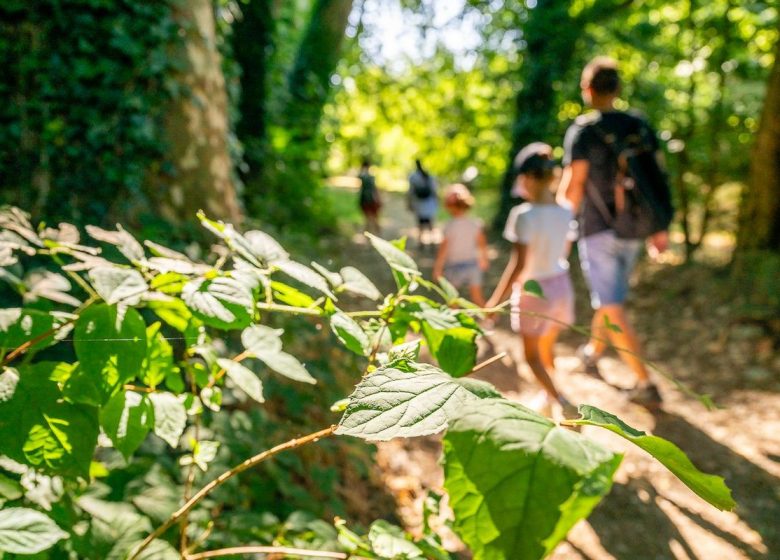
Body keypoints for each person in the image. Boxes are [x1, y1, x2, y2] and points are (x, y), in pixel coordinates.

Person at [557, 56, 667, 408]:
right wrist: (658, 226)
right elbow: (656, 180)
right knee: (609, 297)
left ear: (588, 90)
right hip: (634, 230)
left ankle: (644, 382)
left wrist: (557, 225)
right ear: (617, 89)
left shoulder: (583, 131)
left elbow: (573, 188)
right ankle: (593, 350)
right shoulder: (639, 125)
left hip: (598, 230)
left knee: (611, 304)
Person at [486, 142, 578, 418]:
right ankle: (549, 396)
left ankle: (560, 400)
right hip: (561, 285)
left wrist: (493, 303)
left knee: (531, 356)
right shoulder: (565, 211)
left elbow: (519, 266)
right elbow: (565, 250)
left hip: (533, 291)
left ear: (526, 178)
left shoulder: (523, 216)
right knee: (547, 347)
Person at [432, 184, 489, 306]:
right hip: (473, 264)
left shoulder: (449, 226)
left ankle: (453, 322)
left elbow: (443, 249)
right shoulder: (475, 224)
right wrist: (484, 259)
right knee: (477, 296)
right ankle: (488, 318)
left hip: (454, 265)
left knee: (452, 299)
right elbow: (482, 243)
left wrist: (438, 268)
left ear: (449, 206)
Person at [407, 159, 438, 247]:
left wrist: (409, 202)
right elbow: (434, 189)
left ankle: (421, 241)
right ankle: (432, 241)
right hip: (429, 202)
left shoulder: (413, 176)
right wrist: (436, 201)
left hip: (419, 203)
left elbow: (410, 191)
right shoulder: (429, 175)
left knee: (420, 222)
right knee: (430, 222)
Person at [358, 159, 381, 234]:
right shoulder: (369, 177)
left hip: (368, 199)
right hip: (367, 199)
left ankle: (372, 233)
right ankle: (371, 234)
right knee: (370, 218)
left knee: (371, 218)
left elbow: (375, 188)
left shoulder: (368, 176)